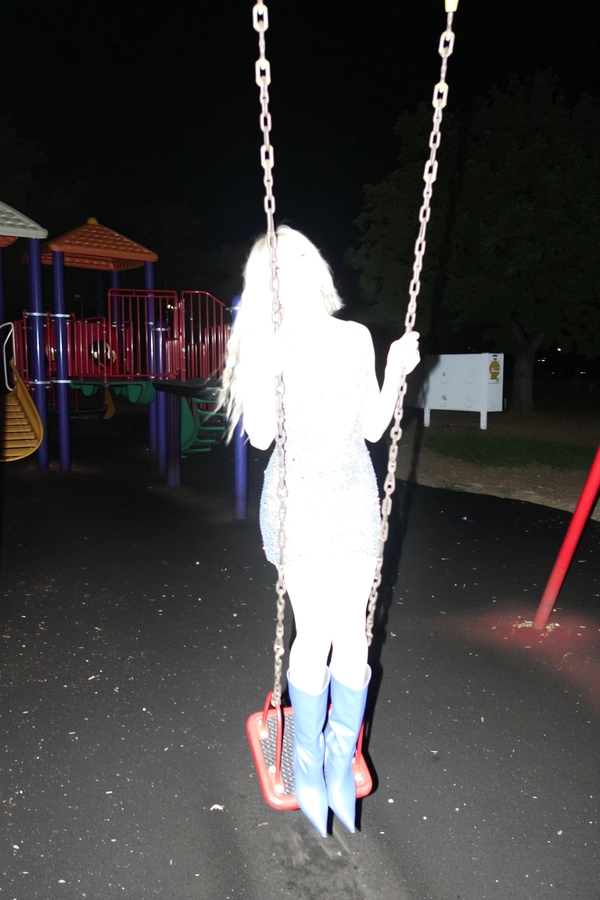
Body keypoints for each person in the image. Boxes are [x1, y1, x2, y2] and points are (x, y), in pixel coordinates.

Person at [219, 226, 420, 836]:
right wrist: (264, 365)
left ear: (316, 267)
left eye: (302, 257)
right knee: (315, 638)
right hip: (298, 503)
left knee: (354, 638)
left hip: (354, 497)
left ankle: (337, 757)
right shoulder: (271, 345)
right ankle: (306, 761)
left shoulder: (355, 336)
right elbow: (258, 436)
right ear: (268, 286)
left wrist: (395, 369)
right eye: (281, 266)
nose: (296, 270)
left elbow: (373, 426)